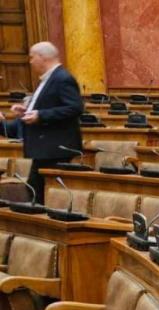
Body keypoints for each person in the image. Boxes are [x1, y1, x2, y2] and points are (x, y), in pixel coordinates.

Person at [10, 42, 82, 205]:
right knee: (34, 193)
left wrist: (40, 115)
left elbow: (75, 107)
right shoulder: (48, 79)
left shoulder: (62, 78)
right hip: (45, 149)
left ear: (42, 57)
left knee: (40, 196)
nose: (30, 61)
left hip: (56, 149)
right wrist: (27, 111)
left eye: (32, 57)